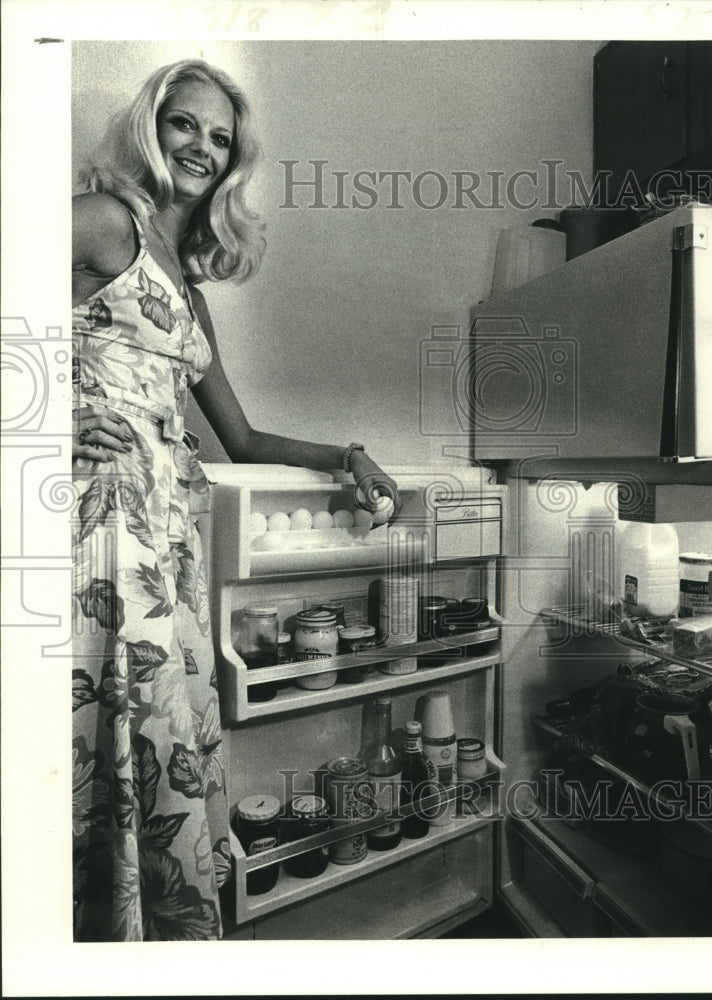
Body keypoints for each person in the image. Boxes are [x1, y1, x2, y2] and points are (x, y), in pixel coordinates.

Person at [71, 59, 399, 942]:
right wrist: (51, 420)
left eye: (220, 138)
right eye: (185, 124)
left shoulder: (187, 283)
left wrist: (348, 452)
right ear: (150, 126)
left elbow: (242, 441)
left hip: (171, 529)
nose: (200, 148)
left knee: (166, 737)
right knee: (110, 732)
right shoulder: (102, 221)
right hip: (104, 520)